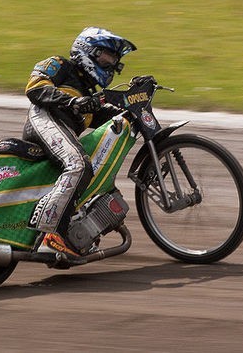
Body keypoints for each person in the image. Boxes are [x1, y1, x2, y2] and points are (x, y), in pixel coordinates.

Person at [21, 27, 153, 258]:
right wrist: (72, 102)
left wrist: (136, 100)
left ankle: (78, 230)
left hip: (62, 127)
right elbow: (35, 88)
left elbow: (113, 115)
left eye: (115, 61)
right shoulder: (60, 64)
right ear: (87, 50)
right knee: (79, 165)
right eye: (107, 57)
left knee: (99, 181)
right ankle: (49, 235)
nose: (112, 65)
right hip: (44, 118)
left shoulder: (89, 95)